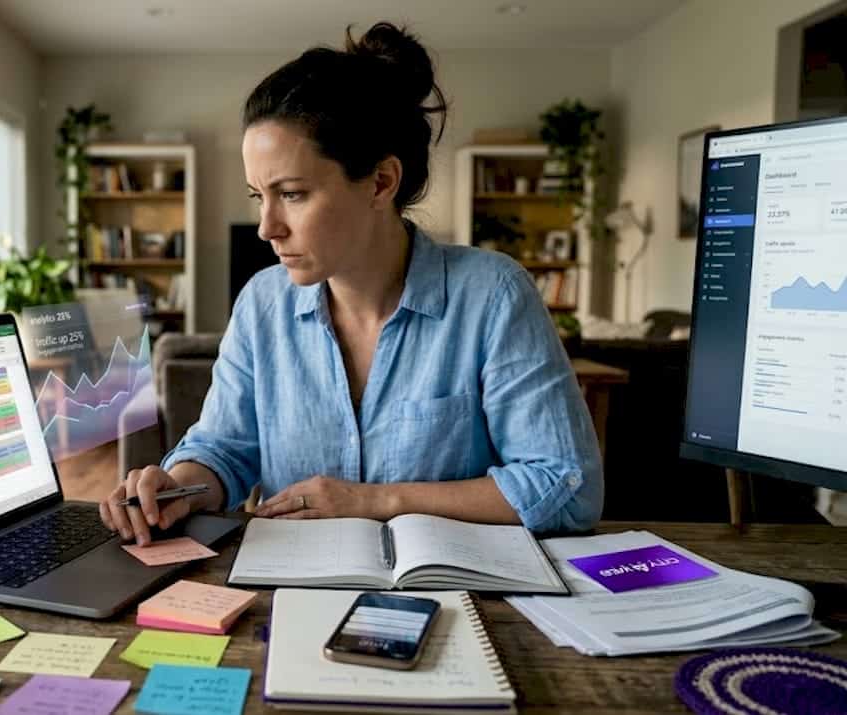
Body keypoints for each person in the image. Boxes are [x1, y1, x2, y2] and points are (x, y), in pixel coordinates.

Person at [99, 22, 603, 546]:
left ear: (382, 182)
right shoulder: (261, 304)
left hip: (453, 592)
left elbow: (567, 486)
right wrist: (175, 488)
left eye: (291, 193)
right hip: (289, 593)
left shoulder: (493, 295)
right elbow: (224, 449)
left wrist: (375, 502)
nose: (267, 227)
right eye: (258, 197)